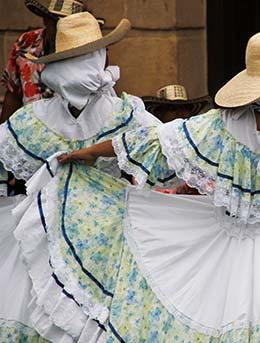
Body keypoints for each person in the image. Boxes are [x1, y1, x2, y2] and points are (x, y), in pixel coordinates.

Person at [55, 32, 260, 342]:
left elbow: (152, 143)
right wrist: (90, 152)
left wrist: (90, 151)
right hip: (222, 248)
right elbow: (153, 143)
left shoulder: (222, 126)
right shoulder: (222, 126)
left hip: (223, 250)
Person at [0, 12, 161, 342]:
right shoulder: (126, 115)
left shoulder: (34, 121)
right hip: (107, 241)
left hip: (49, 240)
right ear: (101, 58)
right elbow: (170, 152)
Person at [0, 0, 87, 196]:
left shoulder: (86, 47)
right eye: (57, 21)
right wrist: (4, 140)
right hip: (28, 141)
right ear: (46, 19)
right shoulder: (26, 42)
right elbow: (13, 94)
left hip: (68, 145)